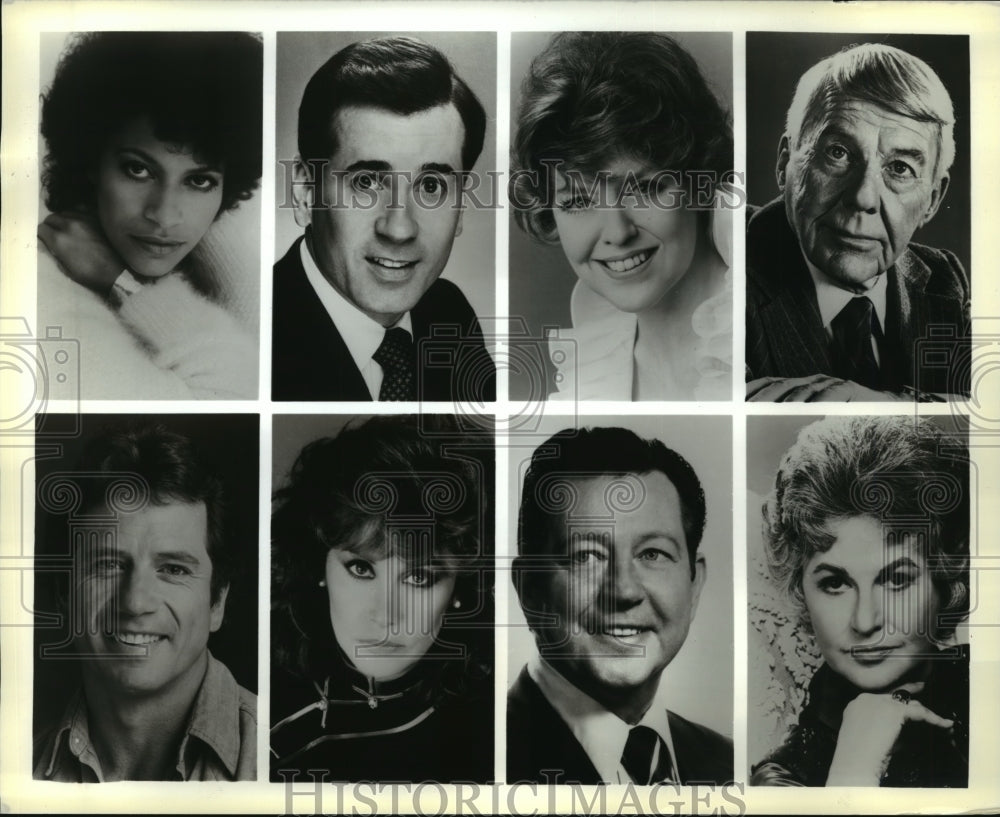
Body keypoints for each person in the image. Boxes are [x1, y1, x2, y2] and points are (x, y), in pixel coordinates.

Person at [37, 31, 262, 401]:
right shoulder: (48, 294)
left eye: (199, 180)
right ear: (91, 161)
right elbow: (238, 389)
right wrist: (125, 285)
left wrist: (121, 281)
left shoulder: (207, 267)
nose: (164, 215)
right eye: (138, 170)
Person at [511, 32, 734, 401]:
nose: (617, 232)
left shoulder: (765, 331)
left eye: (644, 189)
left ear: (699, 183)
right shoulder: (591, 368)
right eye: (578, 202)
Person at [269, 415, 493, 781]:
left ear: (461, 591)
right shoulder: (255, 690)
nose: (385, 615)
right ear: (318, 567)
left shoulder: (488, 730)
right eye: (361, 569)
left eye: (419, 577)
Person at [272, 37, 495, 402]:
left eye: (431, 186)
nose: (399, 228)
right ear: (305, 191)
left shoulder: (448, 313)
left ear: (462, 204)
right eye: (366, 182)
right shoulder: (258, 334)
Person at [745, 43, 970, 402]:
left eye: (899, 169)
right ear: (785, 163)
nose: (863, 198)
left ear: (932, 200)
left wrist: (881, 403)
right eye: (838, 153)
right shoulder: (722, 264)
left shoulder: (945, 280)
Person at [751, 416, 969, 786]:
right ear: (800, 589)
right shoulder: (783, 781)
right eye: (835, 583)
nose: (865, 621)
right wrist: (853, 773)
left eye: (897, 579)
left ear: (944, 579)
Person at [508, 427, 733, 784]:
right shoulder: (482, 759)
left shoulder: (728, 763)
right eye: (586, 557)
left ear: (694, 584)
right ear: (530, 590)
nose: (624, 590)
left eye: (653, 553)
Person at [33, 425, 256, 781]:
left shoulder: (281, 753)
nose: (136, 603)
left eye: (173, 569)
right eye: (107, 565)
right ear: (64, 593)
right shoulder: (15, 769)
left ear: (218, 602)